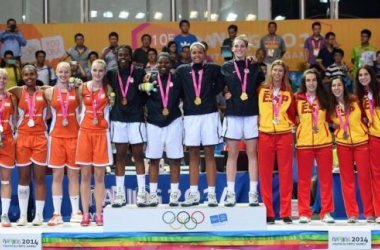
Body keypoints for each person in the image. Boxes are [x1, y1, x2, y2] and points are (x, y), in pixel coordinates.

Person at [175, 42, 224, 207]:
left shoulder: (213, 69)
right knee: (193, 154)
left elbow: (222, 82)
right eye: (194, 52)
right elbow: (178, 89)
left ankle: (211, 194)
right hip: (190, 116)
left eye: (200, 52)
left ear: (204, 54)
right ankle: (194, 193)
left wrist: (210, 93)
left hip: (209, 114)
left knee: (210, 154)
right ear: (190, 54)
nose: (197, 55)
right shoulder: (182, 70)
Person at [221, 35, 265, 207]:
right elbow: (219, 85)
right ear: (232, 49)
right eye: (236, 46)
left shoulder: (254, 66)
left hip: (251, 114)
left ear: (246, 48)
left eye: (242, 46)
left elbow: (263, 84)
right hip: (232, 114)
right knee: (232, 154)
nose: (239, 49)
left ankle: (253, 193)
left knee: (252, 154)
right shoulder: (225, 67)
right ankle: (230, 193)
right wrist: (225, 91)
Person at [327, 76, 375, 223]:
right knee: (347, 180)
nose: (336, 88)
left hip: (361, 143)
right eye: (333, 85)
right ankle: (352, 213)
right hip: (343, 145)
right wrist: (334, 128)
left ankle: (369, 213)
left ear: (344, 86)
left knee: (365, 179)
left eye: (339, 85)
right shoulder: (329, 107)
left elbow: (367, 115)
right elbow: (328, 122)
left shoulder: (355, 100)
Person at [140, 53, 183, 206]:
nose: (163, 65)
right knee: (153, 159)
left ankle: (174, 195)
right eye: (160, 62)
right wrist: (143, 86)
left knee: (175, 159)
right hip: (153, 123)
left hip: (173, 122)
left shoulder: (177, 79)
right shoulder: (149, 79)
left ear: (171, 65)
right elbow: (142, 98)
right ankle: (152, 195)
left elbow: (184, 97)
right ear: (156, 64)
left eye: (166, 62)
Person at [106, 45, 147, 207]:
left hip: (136, 118)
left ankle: (142, 193)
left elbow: (145, 92)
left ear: (130, 57)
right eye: (120, 55)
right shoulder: (111, 73)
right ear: (117, 56)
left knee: (138, 156)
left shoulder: (139, 72)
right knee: (121, 156)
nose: (123, 57)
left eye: (126, 55)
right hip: (118, 118)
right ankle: (120, 195)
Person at [8, 65, 49, 226]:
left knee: (39, 178)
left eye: (32, 74)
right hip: (23, 137)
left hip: (40, 138)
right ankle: (23, 216)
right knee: (23, 178)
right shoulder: (17, 91)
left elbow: (63, 88)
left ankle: (38, 215)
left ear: (36, 74)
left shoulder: (45, 90)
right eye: (26, 75)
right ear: (22, 77)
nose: (29, 77)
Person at [44, 62, 82, 226]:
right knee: (57, 176)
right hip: (56, 138)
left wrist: (79, 81)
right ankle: (57, 214)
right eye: (61, 72)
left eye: (66, 72)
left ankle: (75, 212)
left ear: (70, 73)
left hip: (74, 137)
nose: (64, 74)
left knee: (74, 176)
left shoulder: (78, 89)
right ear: (56, 73)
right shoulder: (49, 91)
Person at [258, 60, 296, 224]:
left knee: (286, 174)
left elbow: (293, 114)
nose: (278, 73)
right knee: (265, 174)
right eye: (275, 70)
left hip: (284, 134)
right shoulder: (261, 90)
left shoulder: (289, 92)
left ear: (284, 73)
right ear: (270, 72)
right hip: (265, 134)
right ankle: (268, 213)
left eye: (281, 70)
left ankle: (286, 212)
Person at [76, 59, 113, 226]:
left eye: (100, 71)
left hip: (101, 134)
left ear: (104, 72)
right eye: (94, 70)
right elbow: (77, 108)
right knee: (85, 175)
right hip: (85, 133)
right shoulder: (82, 87)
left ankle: (99, 213)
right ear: (90, 71)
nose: (97, 73)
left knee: (99, 176)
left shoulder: (108, 88)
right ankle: (85, 213)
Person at [295, 69, 334, 224]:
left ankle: (327, 212)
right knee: (303, 180)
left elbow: (331, 117)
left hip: (324, 142)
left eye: (314, 80)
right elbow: (291, 117)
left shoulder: (325, 98)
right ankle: (304, 212)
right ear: (304, 83)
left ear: (318, 82)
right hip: (304, 143)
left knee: (325, 179)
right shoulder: (297, 99)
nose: (311, 83)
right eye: (308, 80)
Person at [355, 65, 380, 223]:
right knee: (374, 176)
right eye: (360, 75)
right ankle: (375, 212)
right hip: (373, 138)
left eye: (365, 74)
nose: (363, 77)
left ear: (371, 75)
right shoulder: (360, 97)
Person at [0, 69, 17, 227]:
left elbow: (16, 118)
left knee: (6, 180)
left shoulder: (11, 97)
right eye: (0, 78)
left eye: (4, 78)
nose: (2, 80)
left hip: (7, 142)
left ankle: (4, 214)